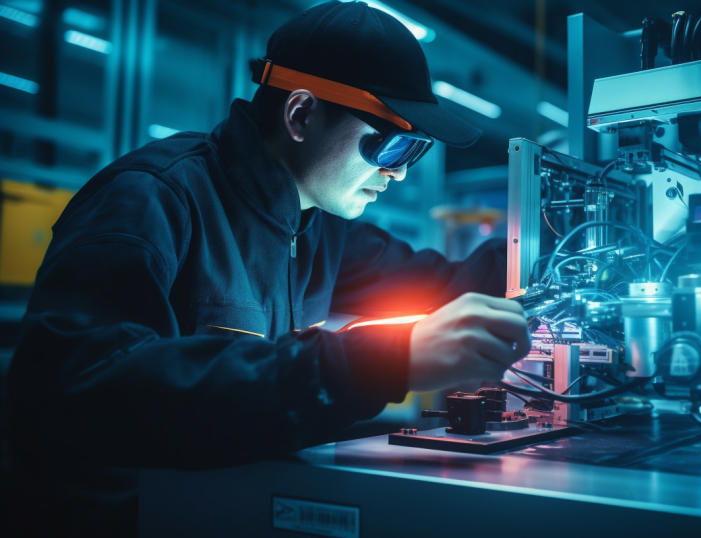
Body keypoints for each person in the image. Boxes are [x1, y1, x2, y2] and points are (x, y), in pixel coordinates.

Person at [4, 1, 530, 534]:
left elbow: (446, 284)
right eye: (392, 145)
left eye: (414, 153)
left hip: (218, 511)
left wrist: (554, 242)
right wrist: (377, 362)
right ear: (301, 115)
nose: (398, 174)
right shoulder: (151, 198)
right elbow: (84, 389)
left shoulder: (316, 227)